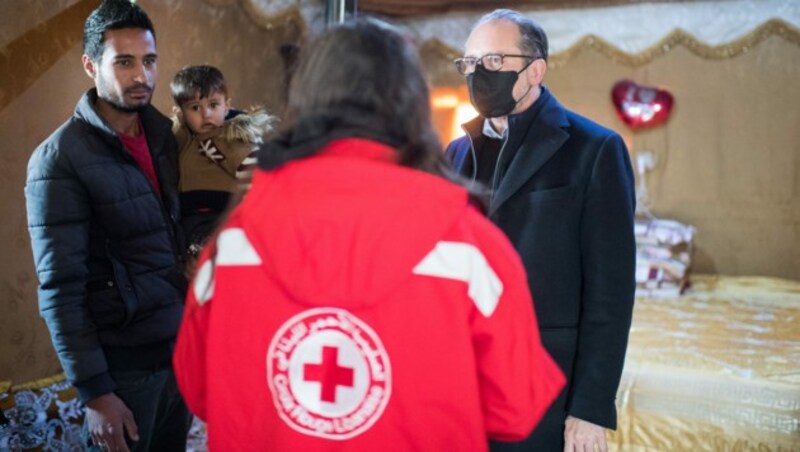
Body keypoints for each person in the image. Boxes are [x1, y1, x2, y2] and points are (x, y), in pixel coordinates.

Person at [173, 17, 565, 451]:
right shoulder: (470, 248)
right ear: (411, 104)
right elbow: (515, 411)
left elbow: (199, 391)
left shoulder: (232, 247)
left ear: (305, 99)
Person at [445, 9, 636, 452]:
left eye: (493, 62)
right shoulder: (453, 154)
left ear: (535, 71)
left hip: (546, 386)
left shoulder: (594, 149)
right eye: (469, 64)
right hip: (463, 383)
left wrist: (589, 407)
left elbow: (610, 292)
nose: (477, 74)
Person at [25, 1, 191, 450]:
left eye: (149, 61)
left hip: (180, 355)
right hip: (124, 371)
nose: (142, 76)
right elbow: (61, 287)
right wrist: (96, 392)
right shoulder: (59, 160)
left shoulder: (166, 137)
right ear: (89, 65)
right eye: (124, 62)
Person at [170, 64, 275, 261]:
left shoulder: (232, 139)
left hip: (221, 215)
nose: (206, 114)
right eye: (195, 108)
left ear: (226, 105)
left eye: (213, 105)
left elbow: (254, 172)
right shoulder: (181, 137)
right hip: (188, 217)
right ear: (181, 113)